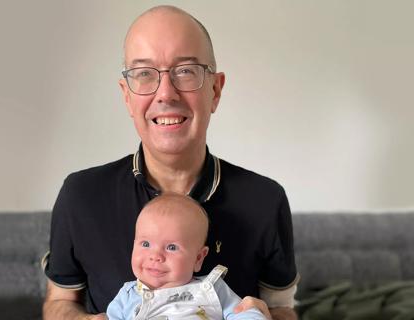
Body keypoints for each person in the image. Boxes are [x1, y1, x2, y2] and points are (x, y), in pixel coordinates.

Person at [42, 5, 299, 320]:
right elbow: (60, 301)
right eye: (145, 74)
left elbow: (283, 308)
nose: (166, 93)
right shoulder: (80, 194)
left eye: (186, 70)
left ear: (215, 90)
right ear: (127, 95)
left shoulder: (266, 200)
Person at [106, 193, 267, 320]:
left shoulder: (212, 288)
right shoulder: (127, 295)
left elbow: (243, 312)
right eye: (146, 244)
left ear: (198, 258)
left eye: (171, 247)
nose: (155, 256)